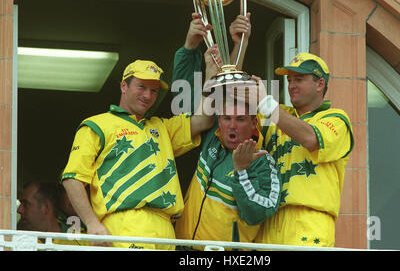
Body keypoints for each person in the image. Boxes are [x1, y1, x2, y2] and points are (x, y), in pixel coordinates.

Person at [61, 59, 214, 250]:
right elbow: (72, 179)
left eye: (154, 90)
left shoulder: (161, 127)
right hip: (126, 224)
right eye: (141, 87)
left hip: (166, 228)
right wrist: (92, 223)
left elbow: (204, 121)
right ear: (124, 86)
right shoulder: (96, 125)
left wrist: (210, 79)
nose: (148, 95)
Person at [172, 13, 281, 248]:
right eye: (226, 118)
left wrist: (242, 172)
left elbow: (258, 212)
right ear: (218, 121)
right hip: (183, 249)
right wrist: (238, 43)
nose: (231, 125)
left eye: (241, 119)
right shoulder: (214, 140)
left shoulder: (262, 162)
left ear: (254, 123)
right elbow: (224, 86)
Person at [254, 52, 355, 247]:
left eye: (299, 79)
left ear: (320, 84)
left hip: (310, 222)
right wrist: (241, 43)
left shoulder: (336, 118)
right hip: (269, 222)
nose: (291, 85)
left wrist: (266, 104)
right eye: (290, 80)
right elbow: (235, 106)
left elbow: (311, 139)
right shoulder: (279, 114)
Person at [17, 181, 90, 246]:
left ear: (46, 207)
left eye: (25, 204)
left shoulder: (82, 242)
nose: (19, 210)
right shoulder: (17, 241)